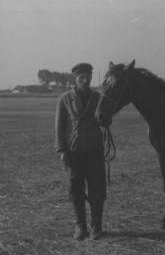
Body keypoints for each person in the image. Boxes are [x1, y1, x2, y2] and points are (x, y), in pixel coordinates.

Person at [54, 63, 106, 241]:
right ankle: (80, 227)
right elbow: (59, 127)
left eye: (88, 77)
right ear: (75, 79)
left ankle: (96, 227)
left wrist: (106, 121)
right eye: (81, 77)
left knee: (97, 189)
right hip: (74, 152)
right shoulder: (65, 98)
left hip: (95, 150)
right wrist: (62, 149)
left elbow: (105, 118)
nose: (85, 80)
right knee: (75, 190)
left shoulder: (98, 97)